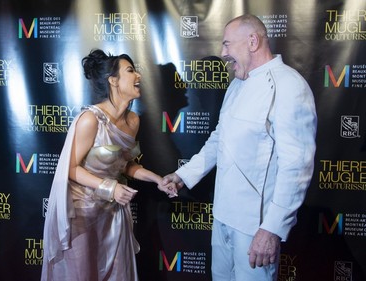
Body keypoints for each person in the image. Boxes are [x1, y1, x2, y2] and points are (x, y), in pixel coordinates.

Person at [163, 14, 317, 281]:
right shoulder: (236, 84)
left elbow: (297, 167)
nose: (223, 53)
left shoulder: (290, 86)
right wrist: (182, 176)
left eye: (227, 44)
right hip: (223, 215)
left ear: (253, 41)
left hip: (255, 226)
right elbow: (219, 139)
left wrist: (272, 229)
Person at [41, 49, 178, 281]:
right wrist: (110, 187)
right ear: (113, 80)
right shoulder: (90, 119)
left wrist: (158, 180)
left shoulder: (133, 121)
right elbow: (71, 168)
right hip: (82, 216)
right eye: (130, 71)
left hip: (113, 214)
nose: (139, 77)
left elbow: (125, 165)